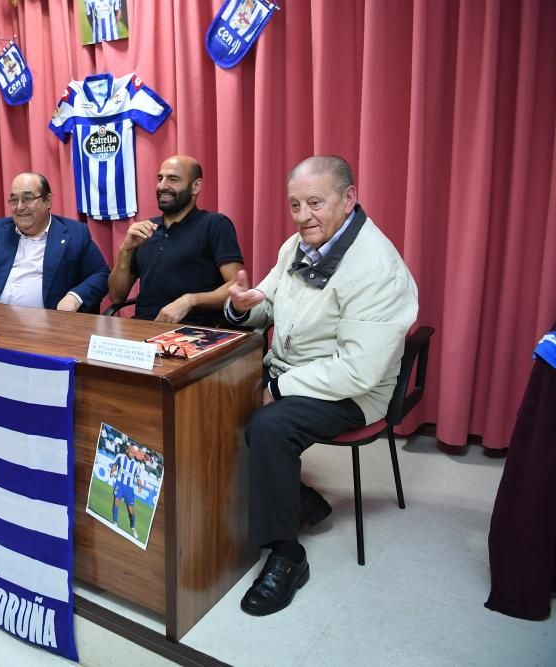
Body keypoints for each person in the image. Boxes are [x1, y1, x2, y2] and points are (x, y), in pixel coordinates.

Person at [225, 155, 418, 616]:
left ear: (348, 199)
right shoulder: (296, 246)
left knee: (269, 427)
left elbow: (358, 371)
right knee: (212, 396)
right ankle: (299, 499)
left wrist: (280, 387)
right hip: (294, 369)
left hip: (354, 392)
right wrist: (241, 306)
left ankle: (287, 554)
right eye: (294, 205)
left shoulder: (375, 266)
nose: (303, 216)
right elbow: (266, 307)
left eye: (315, 202)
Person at [108, 155, 244, 325]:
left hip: (193, 333)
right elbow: (116, 296)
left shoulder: (215, 224)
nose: (162, 186)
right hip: (143, 330)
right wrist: (125, 250)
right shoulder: (145, 230)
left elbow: (237, 287)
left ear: (196, 186)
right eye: (160, 178)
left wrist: (190, 300)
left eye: (173, 179)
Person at [0, 172, 109, 311]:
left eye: (27, 199)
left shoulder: (74, 233)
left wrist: (75, 297)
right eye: (14, 200)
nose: (19, 207)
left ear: (47, 201)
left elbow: (100, 274)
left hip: (49, 325)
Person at [109, 444, 144, 539]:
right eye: (132, 452)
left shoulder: (136, 465)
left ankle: (132, 527)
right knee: (116, 501)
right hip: (119, 484)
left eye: (134, 453)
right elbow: (114, 465)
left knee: (131, 511)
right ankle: (115, 522)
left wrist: (140, 486)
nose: (133, 454)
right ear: (128, 450)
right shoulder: (120, 457)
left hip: (129, 488)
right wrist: (112, 471)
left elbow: (137, 477)